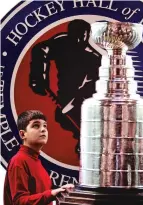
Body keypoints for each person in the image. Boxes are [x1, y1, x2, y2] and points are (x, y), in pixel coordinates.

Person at [29, 19, 101, 155]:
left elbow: (91, 87)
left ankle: (86, 141)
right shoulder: (61, 42)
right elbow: (41, 50)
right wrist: (38, 77)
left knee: (78, 118)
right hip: (64, 93)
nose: (79, 40)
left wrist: (73, 104)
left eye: (83, 36)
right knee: (62, 117)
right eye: (75, 36)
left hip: (84, 99)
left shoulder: (94, 58)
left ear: (88, 35)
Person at [4, 110, 74, 205]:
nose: (43, 129)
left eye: (45, 126)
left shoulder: (36, 161)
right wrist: (51, 194)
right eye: (36, 125)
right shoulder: (19, 161)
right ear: (22, 134)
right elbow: (19, 202)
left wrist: (60, 189)